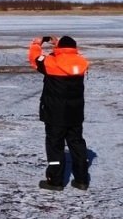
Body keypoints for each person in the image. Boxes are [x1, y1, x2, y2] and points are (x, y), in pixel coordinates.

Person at [28, 35, 90, 191]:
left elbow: (34, 58)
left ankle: (55, 181)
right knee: (77, 144)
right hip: (75, 113)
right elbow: (73, 55)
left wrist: (37, 43)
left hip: (55, 113)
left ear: (60, 49)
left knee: (55, 146)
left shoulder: (51, 62)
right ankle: (82, 179)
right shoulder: (82, 62)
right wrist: (60, 46)